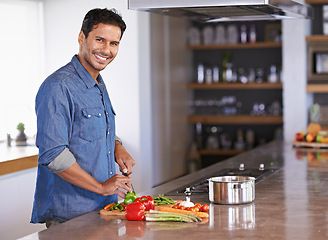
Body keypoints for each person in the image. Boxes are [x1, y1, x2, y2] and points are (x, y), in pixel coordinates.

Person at [31, 8, 135, 227]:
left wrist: (117, 145)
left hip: (102, 210)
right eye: (100, 40)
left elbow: (89, 129)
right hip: (70, 216)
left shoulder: (97, 82)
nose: (107, 50)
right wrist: (101, 187)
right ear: (81, 37)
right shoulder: (58, 86)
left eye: (114, 43)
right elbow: (54, 155)